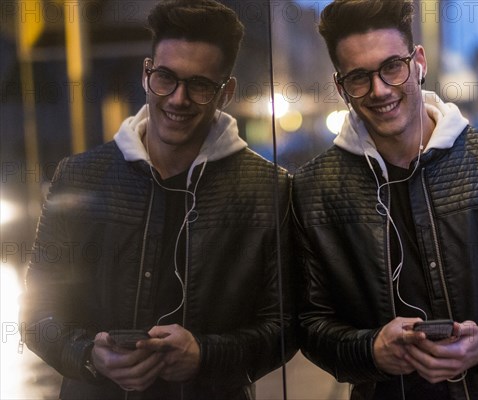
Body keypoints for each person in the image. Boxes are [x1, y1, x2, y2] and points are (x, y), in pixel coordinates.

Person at [291, 1, 478, 399]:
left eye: (392, 66)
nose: (379, 90)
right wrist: (371, 350)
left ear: (419, 62)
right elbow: (309, 324)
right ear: (341, 86)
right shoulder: (314, 189)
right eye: (359, 77)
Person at [19, 1, 296, 399]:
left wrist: (205, 355)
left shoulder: (267, 189)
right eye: (166, 78)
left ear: (226, 92)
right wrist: (89, 356)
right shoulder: (79, 176)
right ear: (147, 73)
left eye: (199, 85)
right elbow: (36, 315)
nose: (178, 99)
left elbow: (285, 324)